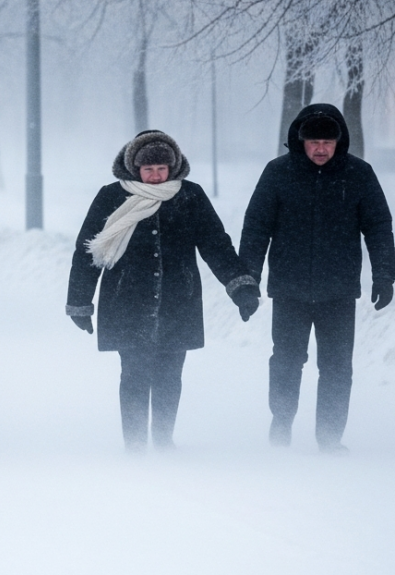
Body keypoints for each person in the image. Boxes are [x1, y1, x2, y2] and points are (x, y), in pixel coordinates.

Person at [67, 130, 259, 452]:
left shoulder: (190, 196)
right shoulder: (111, 197)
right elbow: (88, 251)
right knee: (134, 374)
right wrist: (79, 303)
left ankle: (164, 440)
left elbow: (216, 245)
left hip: (178, 300)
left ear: (173, 167)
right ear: (134, 169)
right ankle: (135, 445)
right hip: (126, 300)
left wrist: (240, 287)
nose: (156, 177)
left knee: (170, 375)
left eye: (161, 169)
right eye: (148, 169)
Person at [239, 103, 395, 455]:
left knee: (338, 367)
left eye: (328, 141)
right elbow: (256, 227)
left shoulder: (359, 175)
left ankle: (329, 436)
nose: (321, 148)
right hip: (289, 289)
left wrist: (384, 275)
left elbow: (378, 227)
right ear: (300, 140)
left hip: (338, 292)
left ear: (340, 141)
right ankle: (281, 421)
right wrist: (247, 280)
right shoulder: (278, 173)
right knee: (287, 360)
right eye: (314, 141)